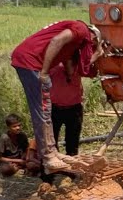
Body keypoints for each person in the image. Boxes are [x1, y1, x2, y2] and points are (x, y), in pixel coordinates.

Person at [9, 20, 100, 173]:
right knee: (42, 110)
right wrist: (44, 72)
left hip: (27, 60)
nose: (90, 49)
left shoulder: (71, 46)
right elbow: (56, 40)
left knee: (44, 111)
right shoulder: (81, 29)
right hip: (31, 63)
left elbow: (77, 69)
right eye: (93, 45)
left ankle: (51, 151)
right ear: (94, 38)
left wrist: (96, 56)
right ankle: (48, 155)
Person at [49, 59, 84, 157]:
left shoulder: (78, 65)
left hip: (74, 107)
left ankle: (71, 159)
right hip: (55, 107)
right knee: (51, 139)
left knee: (72, 141)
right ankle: (55, 159)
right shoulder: (53, 65)